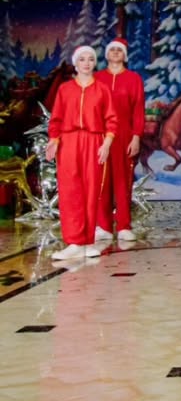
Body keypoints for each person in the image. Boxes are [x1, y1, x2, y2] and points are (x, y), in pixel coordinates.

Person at [46, 46, 119, 261]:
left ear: (95, 63)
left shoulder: (102, 89)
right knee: (70, 191)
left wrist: (107, 143)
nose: (86, 63)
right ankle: (74, 242)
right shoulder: (65, 89)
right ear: (75, 64)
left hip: (94, 141)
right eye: (82, 59)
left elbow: (112, 119)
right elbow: (56, 119)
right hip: (69, 142)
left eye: (90, 59)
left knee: (91, 189)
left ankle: (87, 242)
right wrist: (54, 140)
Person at [94, 37, 144, 243]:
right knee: (102, 181)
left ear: (125, 55)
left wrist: (136, 136)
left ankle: (124, 225)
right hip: (101, 136)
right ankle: (103, 226)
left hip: (124, 135)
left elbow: (138, 109)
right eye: (112, 49)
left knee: (123, 182)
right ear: (106, 54)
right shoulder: (97, 78)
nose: (115, 52)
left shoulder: (133, 79)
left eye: (119, 50)